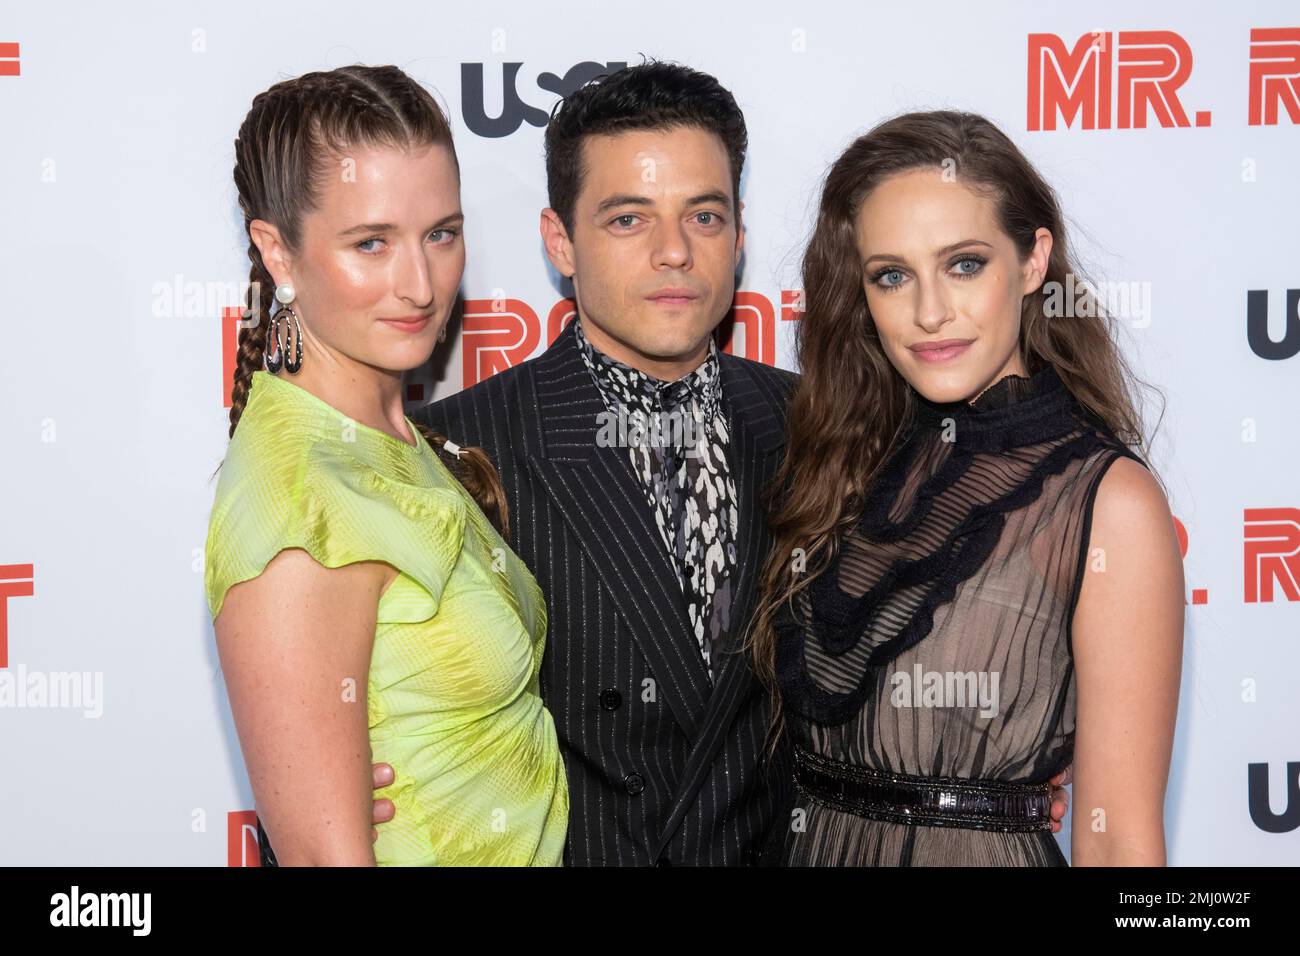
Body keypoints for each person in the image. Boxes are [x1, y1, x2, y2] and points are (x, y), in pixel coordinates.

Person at [387, 64, 1065, 865]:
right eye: (629, 219)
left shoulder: (834, 429)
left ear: (739, 236)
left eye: (703, 216)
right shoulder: (455, 451)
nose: (675, 252)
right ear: (559, 241)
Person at [747, 110, 1184, 866]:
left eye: (964, 264)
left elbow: (1120, 845)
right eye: (892, 276)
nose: (928, 312)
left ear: (1033, 260)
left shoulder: (1106, 503)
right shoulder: (840, 463)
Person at [205, 65, 567, 866]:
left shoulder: (394, 437)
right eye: (371, 242)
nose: (420, 284)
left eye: (441, 233)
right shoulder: (304, 500)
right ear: (279, 253)